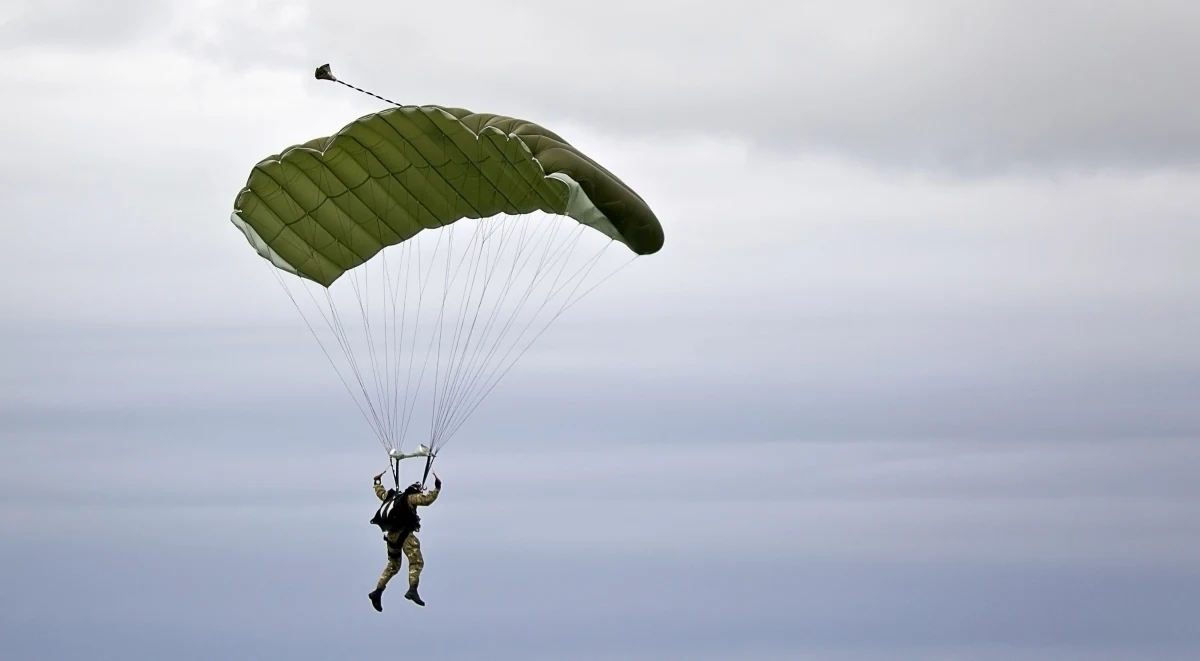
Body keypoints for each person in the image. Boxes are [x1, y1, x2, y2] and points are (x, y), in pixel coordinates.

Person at [367, 469, 441, 611]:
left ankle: (377, 592)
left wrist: (377, 482)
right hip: (405, 535)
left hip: (391, 536)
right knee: (416, 561)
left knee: (393, 565)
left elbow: (381, 493)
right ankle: (412, 589)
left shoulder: (393, 497)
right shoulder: (410, 498)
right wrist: (437, 487)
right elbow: (427, 500)